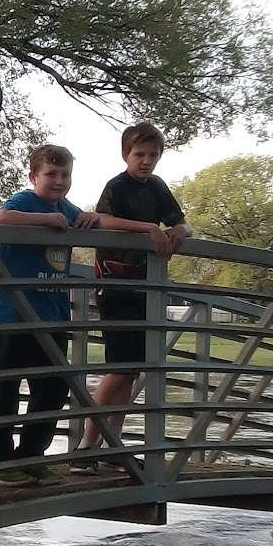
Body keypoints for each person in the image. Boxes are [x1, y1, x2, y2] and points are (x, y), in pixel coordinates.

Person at [74, 120, 188, 466]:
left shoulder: (157, 187)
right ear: (126, 154)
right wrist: (149, 228)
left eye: (153, 155)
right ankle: (85, 447)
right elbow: (100, 219)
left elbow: (180, 219)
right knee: (119, 368)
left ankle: (112, 448)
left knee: (132, 370)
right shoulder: (118, 185)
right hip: (115, 285)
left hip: (145, 288)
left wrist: (181, 229)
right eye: (139, 154)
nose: (146, 161)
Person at [0, 144, 98, 482]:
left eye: (65, 175)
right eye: (51, 174)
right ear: (34, 176)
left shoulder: (66, 207)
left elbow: (82, 220)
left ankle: (31, 455)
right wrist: (46, 220)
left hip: (53, 315)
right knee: (5, 388)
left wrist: (93, 217)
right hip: (13, 314)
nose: (59, 181)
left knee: (51, 390)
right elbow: (1, 219)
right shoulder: (25, 201)